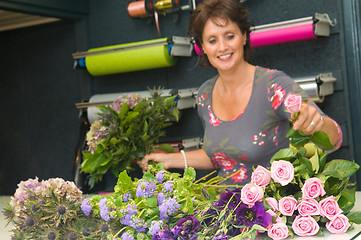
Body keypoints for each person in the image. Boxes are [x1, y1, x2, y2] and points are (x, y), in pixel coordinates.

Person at [138, 0, 342, 185]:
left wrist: (317, 124)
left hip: (267, 211)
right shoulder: (204, 94)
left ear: (244, 36)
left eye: (229, 36)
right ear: (202, 47)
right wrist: (170, 159)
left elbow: (335, 139)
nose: (223, 47)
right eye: (212, 40)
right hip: (222, 209)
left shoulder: (273, 85)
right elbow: (219, 157)